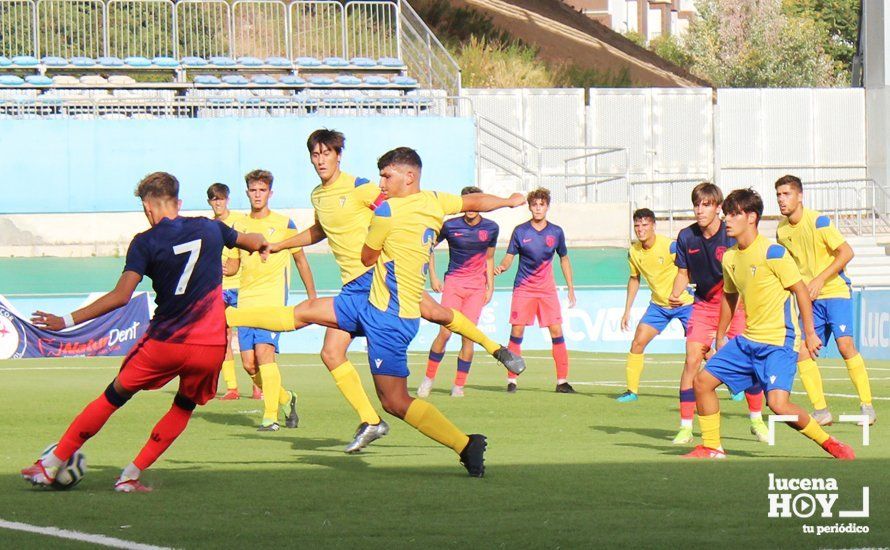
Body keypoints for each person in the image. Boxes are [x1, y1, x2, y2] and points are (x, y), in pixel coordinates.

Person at [226, 129, 525, 453]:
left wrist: (506, 202)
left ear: (339, 156)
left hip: (378, 279)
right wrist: (281, 244)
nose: (320, 160)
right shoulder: (319, 196)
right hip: (356, 285)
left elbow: (393, 208)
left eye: (326, 153)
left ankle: (494, 351)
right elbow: (319, 231)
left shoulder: (360, 189)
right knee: (334, 350)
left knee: (426, 318)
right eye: (315, 154)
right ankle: (374, 420)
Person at [22, 172, 269, 492]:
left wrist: (66, 321)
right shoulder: (210, 227)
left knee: (113, 397)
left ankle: (52, 464)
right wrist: (262, 243)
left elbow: (121, 296)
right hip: (209, 346)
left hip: (166, 342)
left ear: (148, 206)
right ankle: (130, 475)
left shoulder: (145, 241)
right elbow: (247, 240)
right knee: (183, 407)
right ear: (177, 202)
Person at [684, 188, 854, 460]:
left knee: (778, 405)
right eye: (726, 213)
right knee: (702, 381)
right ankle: (712, 447)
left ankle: (830, 443)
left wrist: (809, 334)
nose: (726, 219)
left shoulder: (773, 253)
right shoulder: (729, 257)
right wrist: (720, 336)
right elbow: (730, 296)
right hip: (747, 340)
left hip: (778, 344)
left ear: (751, 217)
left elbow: (800, 290)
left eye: (733, 214)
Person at [668, 183, 768, 445]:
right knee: (691, 361)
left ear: (718, 208)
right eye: (697, 204)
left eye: (706, 205)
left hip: (734, 305)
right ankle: (686, 426)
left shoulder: (730, 233)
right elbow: (682, 273)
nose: (699, 210)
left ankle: (756, 419)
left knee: (749, 364)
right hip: (702, 305)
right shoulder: (686, 237)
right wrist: (675, 294)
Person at [775, 175, 876, 426]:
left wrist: (819, 279)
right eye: (778, 194)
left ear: (799, 196)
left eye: (786, 194)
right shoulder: (781, 230)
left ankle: (867, 407)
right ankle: (821, 411)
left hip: (835, 291)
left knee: (845, 346)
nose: (781, 199)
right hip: (809, 300)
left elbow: (846, 252)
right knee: (803, 353)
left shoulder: (818, 221)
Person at [227, 169, 317, 431]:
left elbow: (300, 260)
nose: (257, 195)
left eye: (262, 190)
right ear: (247, 193)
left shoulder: (284, 223)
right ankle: (287, 398)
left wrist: (312, 297)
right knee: (248, 363)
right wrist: (222, 269)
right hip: (246, 301)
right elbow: (233, 264)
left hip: (272, 300)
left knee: (265, 354)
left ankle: (270, 417)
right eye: (253, 190)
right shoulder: (239, 227)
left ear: (270, 193)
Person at [418, 185, 499, 398]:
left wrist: (490, 286)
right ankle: (428, 379)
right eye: (467, 201)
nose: (471, 206)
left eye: (476, 201)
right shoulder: (450, 225)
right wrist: (433, 276)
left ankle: (459, 385)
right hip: (454, 283)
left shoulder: (491, 228)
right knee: (444, 333)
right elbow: (428, 248)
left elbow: (489, 259)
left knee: (468, 336)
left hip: (476, 287)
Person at [494, 187, 577, 394]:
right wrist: (502, 266)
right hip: (524, 288)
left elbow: (564, 259)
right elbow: (509, 256)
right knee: (517, 330)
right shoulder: (520, 231)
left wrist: (570, 288)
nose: (538, 208)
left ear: (547, 207)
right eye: (535, 205)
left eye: (542, 204)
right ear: (530, 207)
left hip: (547, 290)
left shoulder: (555, 232)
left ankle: (562, 381)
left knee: (556, 331)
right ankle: (512, 380)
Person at [616, 208, 693, 402]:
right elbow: (634, 279)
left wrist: (678, 292)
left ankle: (733, 384)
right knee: (638, 342)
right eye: (637, 226)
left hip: (685, 304)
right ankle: (631, 391)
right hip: (658, 306)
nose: (640, 229)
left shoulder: (670, 246)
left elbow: (687, 271)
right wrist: (627, 310)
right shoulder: (633, 251)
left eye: (644, 225)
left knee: (703, 350)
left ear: (653, 226)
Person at [206, 183, 257, 400]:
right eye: (213, 199)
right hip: (221, 289)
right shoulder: (207, 226)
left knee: (251, 336)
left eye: (221, 198)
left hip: (243, 286)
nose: (218, 202)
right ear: (209, 202)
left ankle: (258, 385)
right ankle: (232, 388)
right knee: (223, 336)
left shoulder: (240, 220)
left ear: (227, 199)